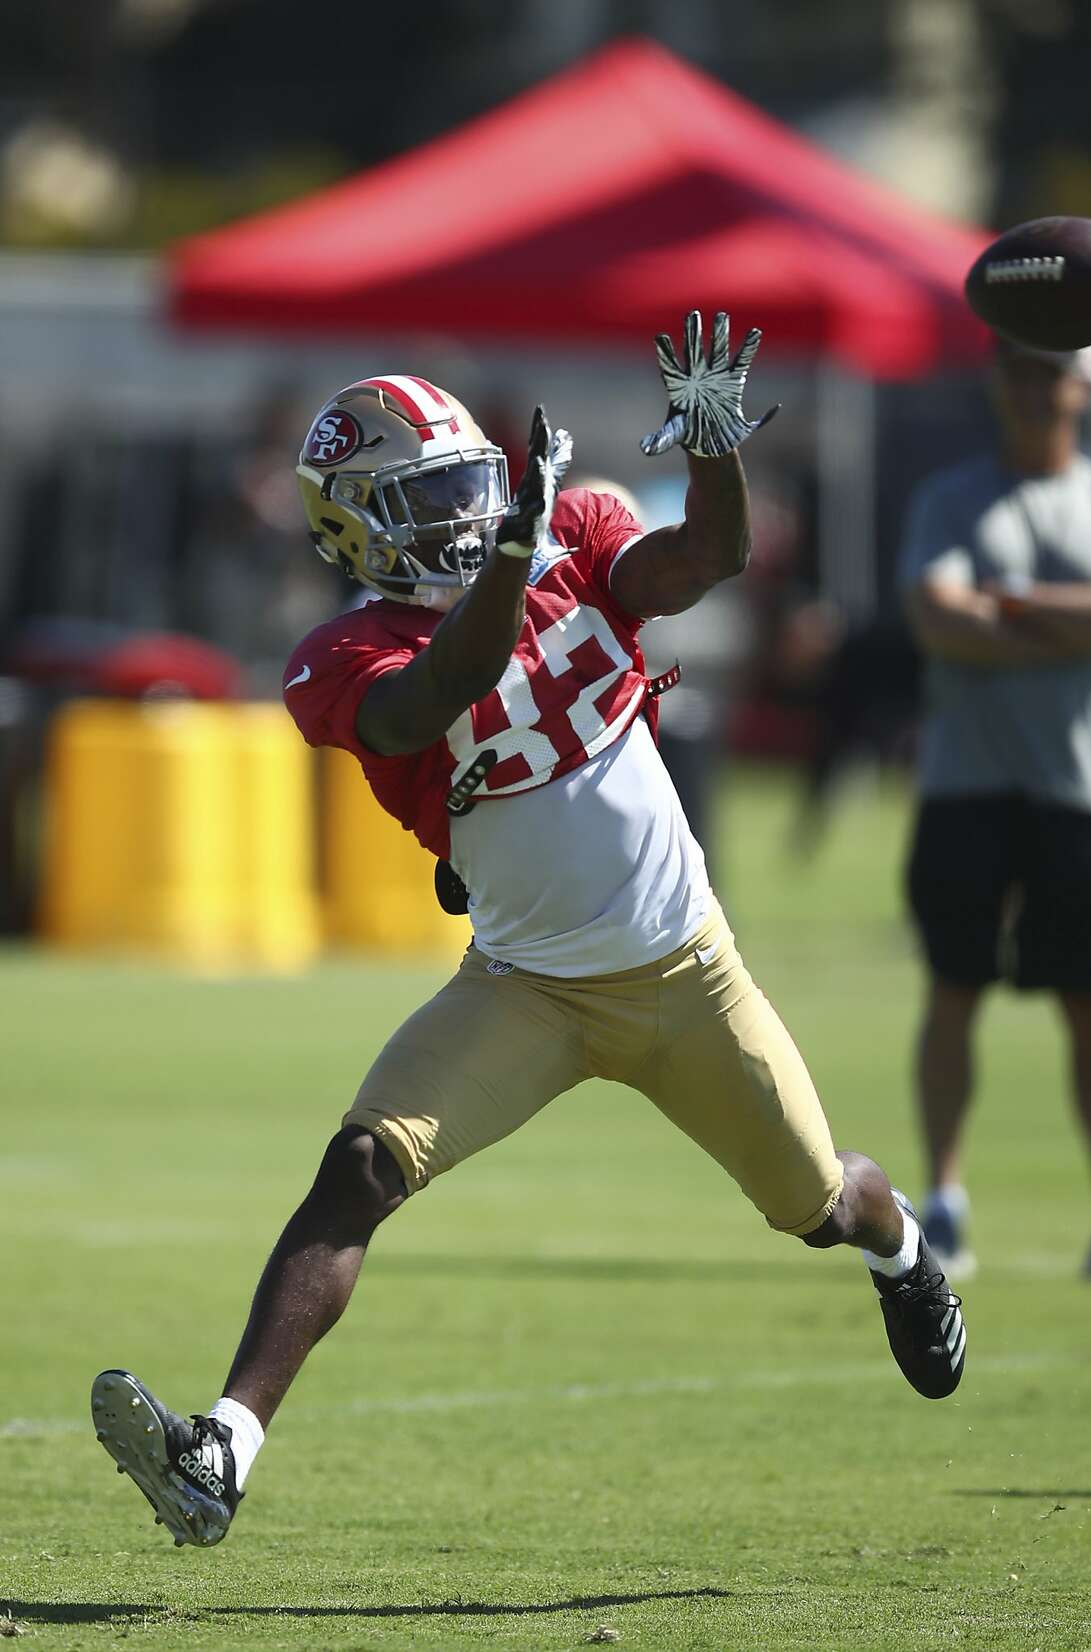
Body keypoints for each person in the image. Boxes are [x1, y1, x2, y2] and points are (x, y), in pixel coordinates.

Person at [91, 313, 966, 1551]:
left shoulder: (570, 538)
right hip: (527, 990)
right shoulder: (337, 654)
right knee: (359, 1167)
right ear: (359, 526)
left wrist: (713, 440)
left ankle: (904, 1248)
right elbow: (441, 687)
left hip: (687, 972)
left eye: (467, 482)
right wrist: (508, 551)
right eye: (429, 496)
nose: (465, 508)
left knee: (818, 1201)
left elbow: (709, 555)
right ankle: (223, 1448)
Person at [899, 332, 1091, 1285]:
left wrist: (1011, 605)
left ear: (1083, 388)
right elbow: (941, 618)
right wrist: (1071, 619)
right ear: (999, 384)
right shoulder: (951, 498)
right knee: (954, 990)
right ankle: (942, 1207)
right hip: (966, 786)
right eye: (1020, 371)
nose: (1036, 390)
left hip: (1087, 790)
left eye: (1052, 373)